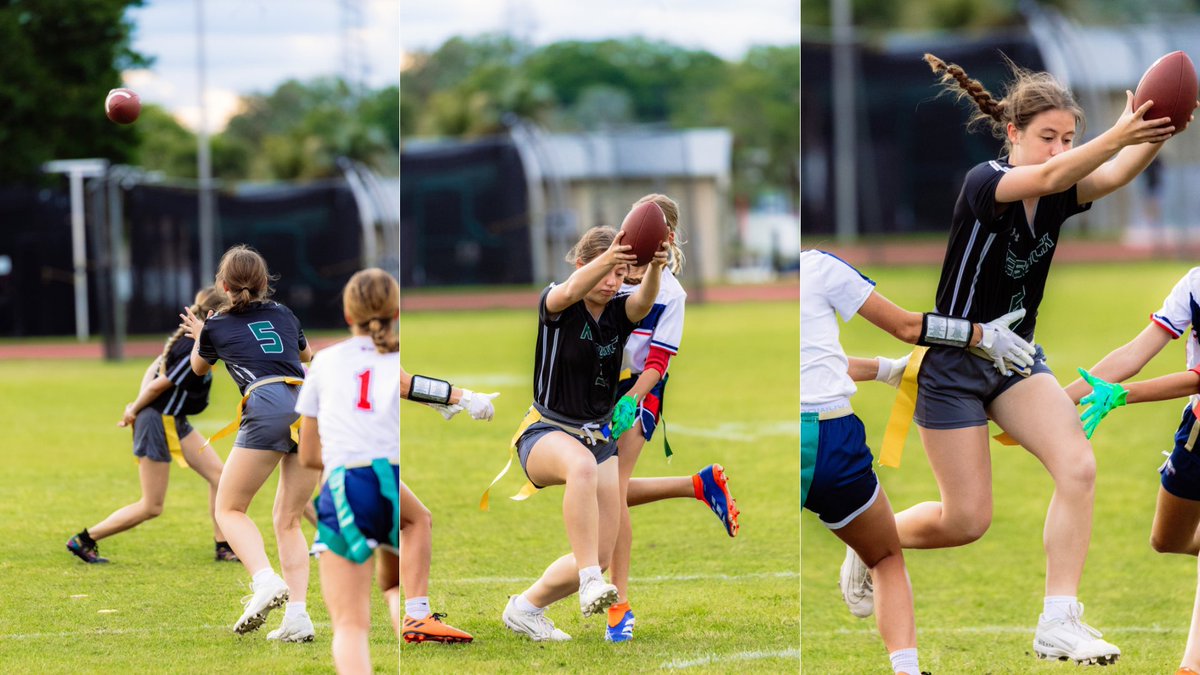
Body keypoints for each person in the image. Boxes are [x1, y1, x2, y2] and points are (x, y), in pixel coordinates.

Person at [843, 52, 1182, 666]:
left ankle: (1059, 620)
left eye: (1068, 139)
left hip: (1016, 359)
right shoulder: (987, 182)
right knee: (965, 521)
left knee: (1077, 465)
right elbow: (1056, 177)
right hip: (951, 366)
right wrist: (1118, 131)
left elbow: (1113, 175)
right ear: (1012, 132)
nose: (1059, 150)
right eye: (1047, 137)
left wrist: (1156, 133)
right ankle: (871, 542)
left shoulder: (1057, 189)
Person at [802, 247, 1035, 675]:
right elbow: (908, 326)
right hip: (826, 433)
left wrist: (889, 370)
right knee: (886, 557)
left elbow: (815, 364)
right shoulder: (816, 265)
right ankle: (906, 669)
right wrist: (980, 334)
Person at [500, 225, 665, 642]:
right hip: (546, 430)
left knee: (601, 555)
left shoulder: (617, 309)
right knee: (581, 469)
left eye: (622, 273)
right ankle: (590, 580)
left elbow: (643, 302)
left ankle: (526, 608)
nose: (614, 282)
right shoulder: (558, 302)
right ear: (584, 264)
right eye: (609, 271)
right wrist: (608, 258)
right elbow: (572, 288)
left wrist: (655, 268)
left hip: (599, 437)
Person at [604, 193, 740, 643]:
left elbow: (657, 364)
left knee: (613, 490)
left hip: (639, 393)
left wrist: (629, 403)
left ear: (666, 240)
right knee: (601, 487)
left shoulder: (673, 295)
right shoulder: (608, 275)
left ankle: (618, 604)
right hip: (596, 390)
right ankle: (697, 485)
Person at [1062, 266, 1200, 675]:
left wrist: (1125, 395)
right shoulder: (1195, 284)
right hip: (1198, 432)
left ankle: (1190, 665)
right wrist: (1056, 401)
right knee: (1167, 539)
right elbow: (1135, 354)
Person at [180, 244, 319, 642]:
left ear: (223, 285)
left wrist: (202, 334)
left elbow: (197, 368)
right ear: (264, 284)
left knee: (229, 508)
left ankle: (264, 581)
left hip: (269, 403)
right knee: (288, 519)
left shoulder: (218, 324)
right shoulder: (285, 314)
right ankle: (297, 617)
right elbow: (307, 355)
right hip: (309, 406)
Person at [67, 287, 237, 564]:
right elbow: (160, 382)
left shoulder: (193, 338)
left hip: (173, 419)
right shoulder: (191, 346)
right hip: (158, 422)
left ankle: (223, 545)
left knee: (220, 476)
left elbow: (154, 366)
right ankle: (84, 540)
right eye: (230, 313)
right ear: (213, 315)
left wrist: (136, 404)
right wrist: (134, 409)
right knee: (152, 506)